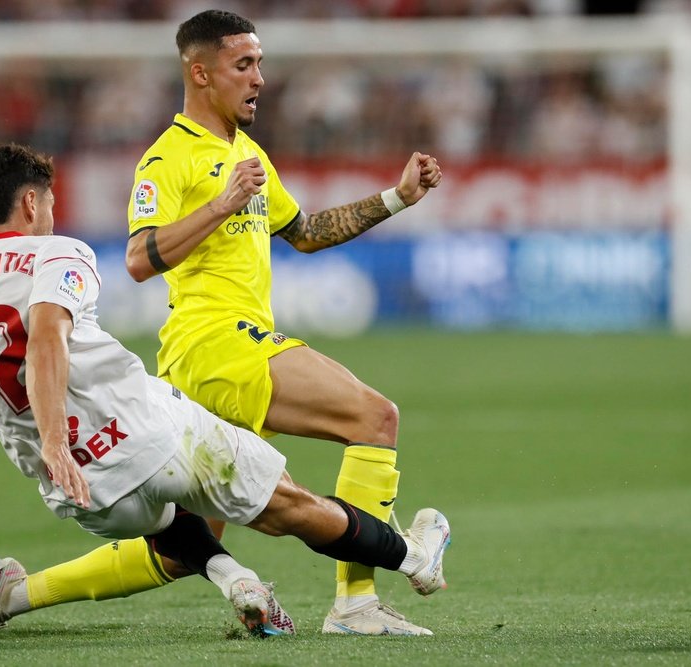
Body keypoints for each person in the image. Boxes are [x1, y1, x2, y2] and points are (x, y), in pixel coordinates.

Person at [0, 142, 451, 637]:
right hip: (156, 419)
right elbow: (50, 333)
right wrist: (52, 438)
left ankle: (28, 593)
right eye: (46, 201)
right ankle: (406, 566)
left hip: (83, 490)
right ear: (29, 202)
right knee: (292, 502)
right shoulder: (62, 250)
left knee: (174, 541)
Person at [61, 8, 442, 637]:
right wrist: (222, 203)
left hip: (213, 360)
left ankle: (15, 594)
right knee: (374, 417)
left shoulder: (247, 152)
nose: (259, 77)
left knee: (183, 550)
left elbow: (307, 232)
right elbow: (137, 258)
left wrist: (397, 197)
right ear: (201, 72)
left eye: (260, 63)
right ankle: (356, 604)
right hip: (216, 344)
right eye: (245, 64)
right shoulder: (168, 158)